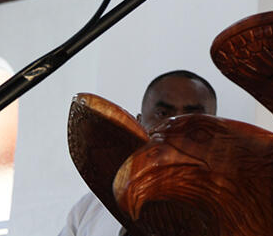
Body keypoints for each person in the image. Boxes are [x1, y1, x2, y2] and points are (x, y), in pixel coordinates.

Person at [58, 70, 218, 236]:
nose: (177, 124)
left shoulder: (235, 207)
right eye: (163, 113)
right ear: (139, 123)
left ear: (216, 131)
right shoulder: (90, 208)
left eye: (193, 116)